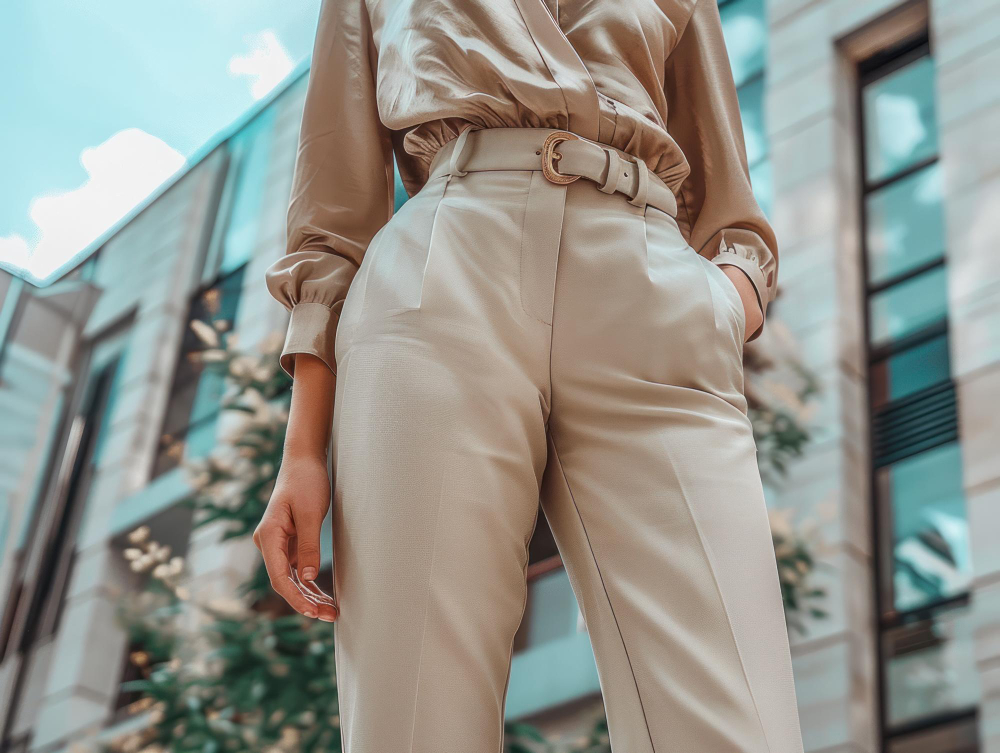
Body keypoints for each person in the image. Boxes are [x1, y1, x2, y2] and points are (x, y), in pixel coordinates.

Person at [253, 0, 805, 750]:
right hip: (442, 276)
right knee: (411, 725)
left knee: (737, 725)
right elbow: (334, 211)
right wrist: (304, 448)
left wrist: (723, 301)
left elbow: (727, 203)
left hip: (649, 286)